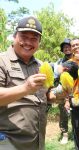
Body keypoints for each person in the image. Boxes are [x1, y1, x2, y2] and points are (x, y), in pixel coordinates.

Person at [0, 16, 49, 150]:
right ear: (14, 36)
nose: (28, 42)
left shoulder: (41, 65)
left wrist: (59, 94)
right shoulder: (2, 61)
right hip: (8, 142)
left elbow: (44, 97)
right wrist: (25, 88)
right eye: (23, 37)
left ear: (39, 42)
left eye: (34, 38)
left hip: (36, 141)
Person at [54, 38, 72, 144]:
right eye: (64, 47)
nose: (67, 48)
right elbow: (56, 78)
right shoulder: (59, 62)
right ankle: (64, 134)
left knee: (77, 116)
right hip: (64, 92)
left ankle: (78, 134)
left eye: (68, 46)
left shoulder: (77, 60)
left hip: (77, 93)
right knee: (64, 114)